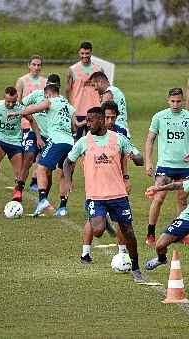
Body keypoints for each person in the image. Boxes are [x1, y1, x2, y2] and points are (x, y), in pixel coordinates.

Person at [62, 106, 145, 283]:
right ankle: (102, 219)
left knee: (128, 232)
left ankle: (136, 268)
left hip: (118, 195)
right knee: (98, 231)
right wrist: (67, 181)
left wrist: (136, 158)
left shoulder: (118, 139)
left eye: (91, 120)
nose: (88, 123)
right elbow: (67, 162)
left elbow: (139, 159)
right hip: (95, 196)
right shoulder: (84, 142)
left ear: (101, 119)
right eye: (88, 120)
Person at [145, 88, 189, 247]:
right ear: (168, 101)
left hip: (184, 167)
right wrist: (149, 161)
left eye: (178, 101)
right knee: (158, 198)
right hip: (165, 166)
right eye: (173, 101)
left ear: (183, 101)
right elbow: (150, 140)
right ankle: (150, 233)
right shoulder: (159, 117)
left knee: (182, 200)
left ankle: (180, 234)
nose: (175, 104)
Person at [9, 84, 75, 216]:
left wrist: (17, 113)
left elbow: (33, 109)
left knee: (40, 168)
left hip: (56, 140)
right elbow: (74, 127)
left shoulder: (49, 101)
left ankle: (42, 200)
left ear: (48, 94)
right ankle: (62, 208)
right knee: (63, 173)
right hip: (70, 142)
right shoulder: (69, 106)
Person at [80, 101, 131, 263]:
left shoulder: (121, 132)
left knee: (121, 221)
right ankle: (85, 252)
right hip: (96, 184)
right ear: (101, 118)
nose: (110, 121)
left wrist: (126, 177)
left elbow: (123, 156)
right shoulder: (91, 134)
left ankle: (122, 253)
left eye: (113, 117)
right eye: (107, 117)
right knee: (93, 220)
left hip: (115, 184)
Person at [0, 87, 41, 203]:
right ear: (3, 98)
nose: (11, 104)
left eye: (13, 102)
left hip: (15, 143)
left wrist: (39, 137)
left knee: (19, 173)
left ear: (17, 99)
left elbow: (32, 120)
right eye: (8, 101)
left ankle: (17, 192)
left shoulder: (20, 108)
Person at [19, 74, 60, 198]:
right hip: (34, 132)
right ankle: (18, 189)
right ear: (46, 84)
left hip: (50, 138)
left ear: (58, 87)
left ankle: (44, 199)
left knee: (48, 170)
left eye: (55, 86)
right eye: (49, 85)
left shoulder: (60, 101)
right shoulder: (37, 94)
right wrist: (28, 117)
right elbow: (21, 104)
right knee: (29, 157)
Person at [15, 55, 47, 193]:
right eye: (34, 64)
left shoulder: (45, 82)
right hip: (26, 123)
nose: (36, 67)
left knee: (40, 152)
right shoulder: (22, 81)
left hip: (41, 125)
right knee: (27, 155)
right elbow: (17, 102)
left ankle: (35, 180)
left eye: (39, 65)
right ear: (29, 65)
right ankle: (20, 179)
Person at [66, 41, 104, 141]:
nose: (84, 56)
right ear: (79, 53)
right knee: (76, 142)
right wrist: (70, 110)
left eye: (87, 53)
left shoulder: (98, 69)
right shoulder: (72, 70)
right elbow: (67, 90)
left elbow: (103, 90)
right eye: (82, 53)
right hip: (77, 111)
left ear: (91, 53)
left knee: (93, 141)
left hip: (94, 111)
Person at [89, 71, 130, 137]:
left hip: (115, 130)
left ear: (100, 82)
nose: (95, 89)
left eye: (94, 85)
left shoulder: (108, 93)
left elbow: (100, 113)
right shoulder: (116, 90)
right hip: (123, 128)